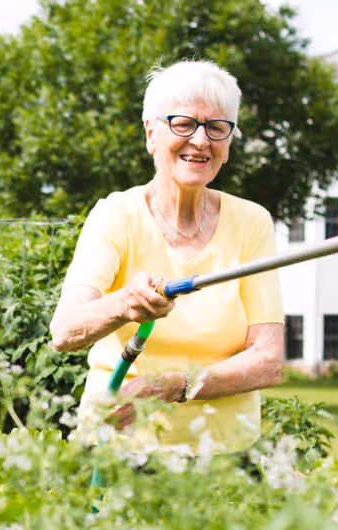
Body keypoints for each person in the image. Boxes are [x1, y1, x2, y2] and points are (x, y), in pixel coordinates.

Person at [50, 60, 285, 457]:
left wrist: (177, 386)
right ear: (151, 134)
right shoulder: (116, 215)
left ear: (228, 144)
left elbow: (267, 359)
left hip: (226, 459)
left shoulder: (252, 222)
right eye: (183, 123)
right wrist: (126, 303)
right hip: (119, 452)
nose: (200, 140)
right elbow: (65, 331)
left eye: (216, 127)